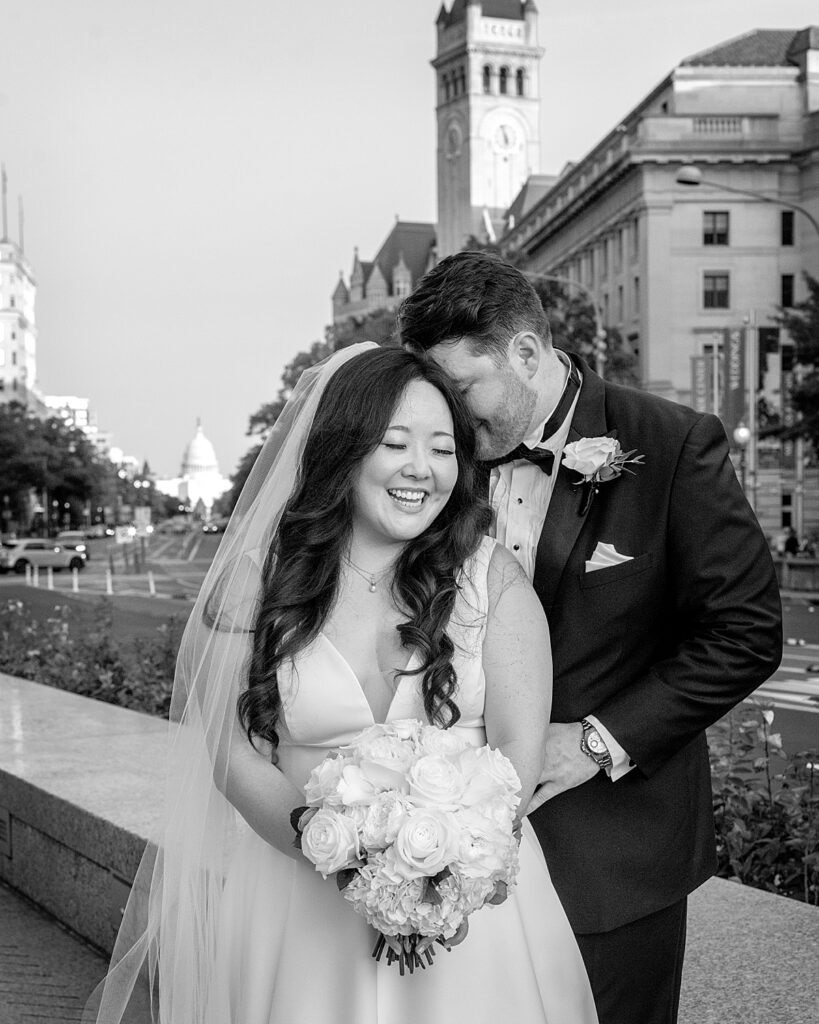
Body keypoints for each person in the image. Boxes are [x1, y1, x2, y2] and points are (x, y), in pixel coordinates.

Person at [86, 344, 597, 1024]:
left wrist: (439, 875)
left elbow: (517, 756)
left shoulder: (492, 579)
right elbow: (231, 755)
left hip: (471, 916)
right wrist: (342, 856)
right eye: (395, 443)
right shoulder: (256, 583)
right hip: (295, 902)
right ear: (343, 451)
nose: (421, 468)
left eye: (442, 449)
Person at [398, 251, 783, 1024]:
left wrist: (595, 742)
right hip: (441, 847)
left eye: (461, 390)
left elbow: (743, 633)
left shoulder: (672, 445)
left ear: (526, 352)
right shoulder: (434, 460)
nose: (448, 418)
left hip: (611, 856)